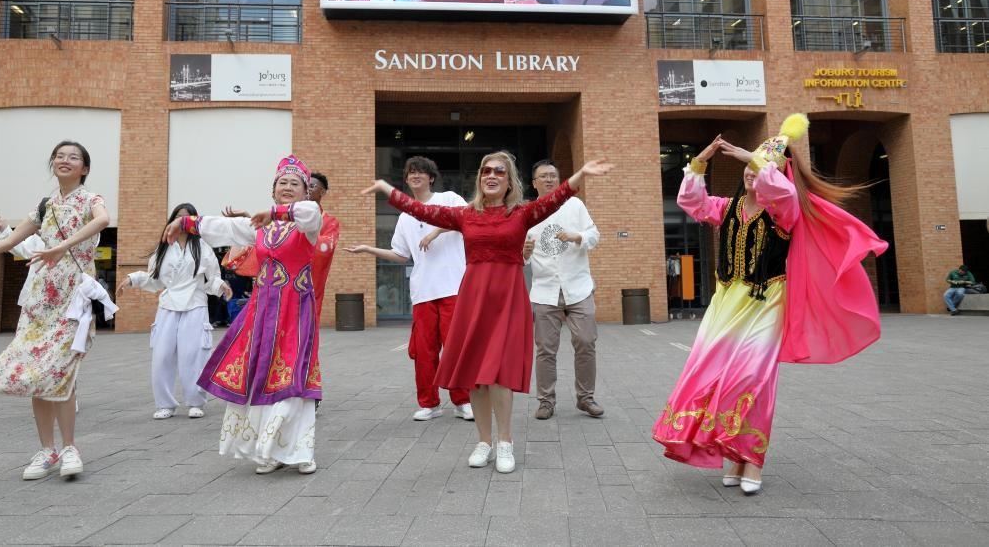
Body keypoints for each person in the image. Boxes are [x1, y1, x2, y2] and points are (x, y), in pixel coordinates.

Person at [651, 115, 888, 495]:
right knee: (713, 377)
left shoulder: (783, 212)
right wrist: (700, 163)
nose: (753, 173)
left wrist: (759, 159)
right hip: (726, 304)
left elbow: (786, 195)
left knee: (751, 381)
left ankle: (753, 460)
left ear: (776, 174)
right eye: (749, 167)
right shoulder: (725, 207)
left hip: (766, 303)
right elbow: (691, 202)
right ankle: (733, 454)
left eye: (764, 168)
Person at [362, 152, 612, 473]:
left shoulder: (521, 213)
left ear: (509, 181)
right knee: (476, 377)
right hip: (472, 300)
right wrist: (387, 188)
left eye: (499, 171)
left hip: (507, 300)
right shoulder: (466, 215)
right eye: (485, 171)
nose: (491, 175)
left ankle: (505, 442)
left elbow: (557, 199)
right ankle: (484, 442)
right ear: (480, 179)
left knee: (499, 374)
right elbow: (422, 209)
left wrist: (581, 175)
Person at [0, 141, 110, 480]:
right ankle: (48, 450)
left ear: (84, 169)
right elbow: (7, 241)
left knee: (60, 371)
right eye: (59, 156)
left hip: (72, 302)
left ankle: (70, 447)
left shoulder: (91, 199)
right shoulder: (44, 207)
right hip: (38, 304)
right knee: (35, 374)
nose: (65, 161)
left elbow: (104, 220)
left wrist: (62, 245)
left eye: (73, 157)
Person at [163, 155, 322, 475]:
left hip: (296, 312)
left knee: (293, 375)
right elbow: (223, 228)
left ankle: (301, 450)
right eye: (282, 183)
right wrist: (185, 222)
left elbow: (308, 213)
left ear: (306, 192)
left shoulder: (309, 218)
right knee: (263, 375)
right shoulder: (262, 228)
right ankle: (271, 451)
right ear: (273, 190)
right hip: (263, 312)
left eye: (295, 184)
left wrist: (276, 213)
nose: (288, 188)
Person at [346, 156, 473, 422]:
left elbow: (466, 217)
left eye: (420, 173)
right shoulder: (405, 216)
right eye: (410, 173)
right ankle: (429, 403)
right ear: (406, 179)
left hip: (453, 288)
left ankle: (463, 401)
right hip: (423, 292)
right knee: (424, 352)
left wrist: (435, 232)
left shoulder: (449, 199)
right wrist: (369, 249)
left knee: (456, 348)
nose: (415, 176)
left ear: (431, 177)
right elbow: (401, 255)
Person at [117, 203, 232, 420]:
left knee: (193, 355)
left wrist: (221, 287)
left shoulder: (203, 247)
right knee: (162, 356)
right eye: (178, 217)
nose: (182, 222)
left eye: (187, 218)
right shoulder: (164, 248)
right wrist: (132, 279)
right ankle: (165, 404)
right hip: (168, 306)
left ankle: (195, 401)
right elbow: (154, 279)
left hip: (195, 305)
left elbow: (211, 279)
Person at [523, 159, 603, 420]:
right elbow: (519, 256)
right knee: (545, 348)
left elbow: (594, 235)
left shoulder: (575, 205)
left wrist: (576, 236)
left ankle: (586, 398)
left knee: (586, 342)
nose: (549, 180)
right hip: (545, 290)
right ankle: (546, 400)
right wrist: (523, 253)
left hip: (578, 286)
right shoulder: (529, 213)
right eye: (543, 176)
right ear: (534, 183)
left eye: (553, 176)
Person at [0, 213, 47, 307]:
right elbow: (22, 249)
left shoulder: (71, 233)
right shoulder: (37, 236)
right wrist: (5, 229)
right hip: (35, 295)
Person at [308, 172, 340, 324]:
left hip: (310, 284)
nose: (307, 189)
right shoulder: (287, 215)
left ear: (322, 192)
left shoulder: (329, 222)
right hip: (284, 282)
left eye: (312, 186)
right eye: (304, 185)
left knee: (306, 326)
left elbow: (327, 247)